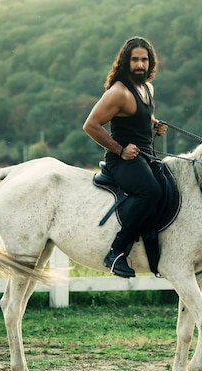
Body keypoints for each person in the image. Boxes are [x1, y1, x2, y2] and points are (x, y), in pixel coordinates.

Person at [83, 36, 167, 278]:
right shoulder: (118, 92)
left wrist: (154, 124)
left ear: (150, 62)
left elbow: (139, 117)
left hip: (145, 156)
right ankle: (116, 252)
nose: (140, 65)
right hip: (121, 161)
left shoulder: (147, 89)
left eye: (144, 60)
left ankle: (154, 257)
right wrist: (120, 150)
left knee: (166, 188)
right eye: (135, 60)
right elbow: (91, 125)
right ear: (125, 62)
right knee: (151, 191)